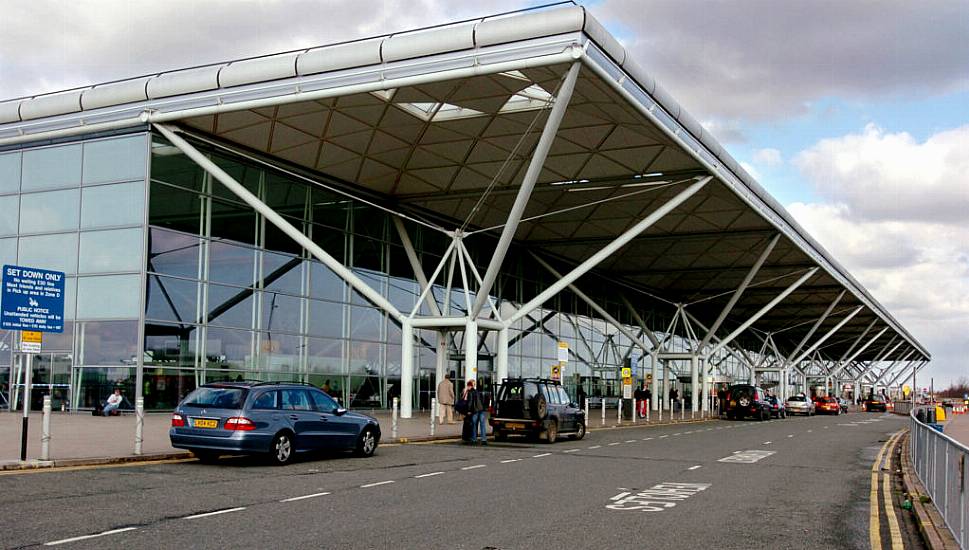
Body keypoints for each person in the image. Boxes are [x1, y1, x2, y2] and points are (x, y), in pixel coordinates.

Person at [462, 380, 487, 445]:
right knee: (482, 425)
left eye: (468, 386)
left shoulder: (470, 392)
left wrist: (469, 411)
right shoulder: (477, 391)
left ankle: (474, 439)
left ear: (469, 386)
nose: (467, 387)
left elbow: (470, 402)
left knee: (474, 424)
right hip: (482, 410)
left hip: (475, 410)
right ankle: (484, 439)